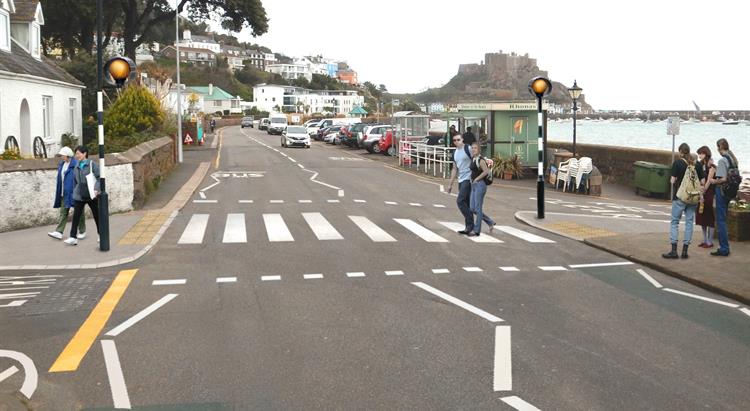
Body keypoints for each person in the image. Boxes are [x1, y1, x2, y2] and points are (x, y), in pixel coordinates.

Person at [662, 143, 704, 259]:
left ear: (680, 152)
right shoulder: (698, 164)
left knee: (675, 222)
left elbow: (672, 180)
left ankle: (674, 250)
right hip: (693, 198)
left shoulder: (677, 163)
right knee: (689, 222)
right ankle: (685, 251)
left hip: (680, 197)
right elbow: (703, 182)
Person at [64, 146, 101, 246]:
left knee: (97, 215)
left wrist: (97, 189)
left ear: (85, 154)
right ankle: (73, 237)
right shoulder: (77, 166)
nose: (77, 156)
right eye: (76, 154)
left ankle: (101, 234)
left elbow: (99, 177)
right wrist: (75, 192)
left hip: (91, 194)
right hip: (79, 195)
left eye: (78, 153)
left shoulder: (92, 164)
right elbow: (75, 181)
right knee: (76, 216)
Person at [709, 138, 739, 257]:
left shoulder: (722, 160)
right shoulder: (733, 159)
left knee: (721, 221)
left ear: (719, 147)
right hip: (730, 192)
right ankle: (724, 247)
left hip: (722, 192)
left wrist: (712, 181)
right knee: (723, 219)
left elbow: (723, 179)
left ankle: (724, 248)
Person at [48, 147, 86, 240]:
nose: (61, 157)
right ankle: (59, 232)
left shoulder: (76, 165)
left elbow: (80, 178)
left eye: (62, 155)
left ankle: (82, 231)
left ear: (68, 155)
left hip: (75, 193)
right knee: (63, 212)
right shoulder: (62, 164)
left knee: (79, 212)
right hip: (64, 193)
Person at [447, 134, 474, 234]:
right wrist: (450, 184)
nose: (456, 141)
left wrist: (475, 177)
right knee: (467, 204)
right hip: (461, 180)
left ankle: (471, 224)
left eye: (458, 139)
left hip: (469, 179)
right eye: (454, 140)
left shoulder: (468, 148)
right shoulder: (454, 152)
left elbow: (475, 160)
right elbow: (454, 169)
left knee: (460, 201)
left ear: (462, 140)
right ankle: (469, 227)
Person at [468, 142, 495, 236]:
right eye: (472, 148)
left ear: (479, 150)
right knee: (472, 208)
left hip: (480, 185)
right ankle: (490, 222)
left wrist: (476, 179)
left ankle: (476, 230)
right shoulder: (473, 158)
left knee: (478, 208)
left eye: (475, 148)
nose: (473, 149)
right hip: (474, 185)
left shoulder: (480, 159)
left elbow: (486, 171)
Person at [695, 146, 715, 249]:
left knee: (709, 217)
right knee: (701, 216)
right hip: (702, 192)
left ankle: (710, 241)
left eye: (701, 153)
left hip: (709, 192)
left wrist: (704, 190)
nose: (699, 156)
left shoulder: (711, 164)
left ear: (706, 153)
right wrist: (700, 192)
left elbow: (709, 179)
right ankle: (704, 240)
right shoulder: (700, 164)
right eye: (699, 154)